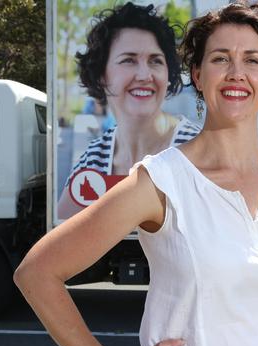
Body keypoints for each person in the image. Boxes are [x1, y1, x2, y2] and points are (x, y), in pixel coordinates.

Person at [15, 2, 258, 346]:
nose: (236, 72)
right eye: (220, 59)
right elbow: (38, 273)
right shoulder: (161, 182)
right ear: (197, 75)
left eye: (252, 60)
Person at [58, 2, 201, 219]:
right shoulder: (95, 157)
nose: (144, 74)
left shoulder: (198, 149)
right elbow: (62, 230)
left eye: (155, 61)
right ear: (101, 75)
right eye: (129, 60)